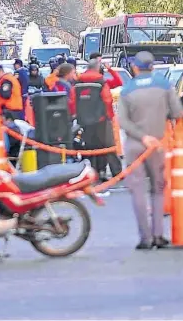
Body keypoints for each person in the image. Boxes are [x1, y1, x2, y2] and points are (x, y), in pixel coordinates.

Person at [117, 51, 183, 249]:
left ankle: (144, 237)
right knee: (157, 189)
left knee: (137, 190)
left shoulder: (126, 90)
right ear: (152, 67)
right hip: (158, 143)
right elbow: (177, 112)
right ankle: (157, 235)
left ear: (135, 68)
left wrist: (141, 135)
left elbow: (123, 121)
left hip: (135, 145)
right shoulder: (164, 86)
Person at [70, 59, 122, 182]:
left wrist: (76, 115)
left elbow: (72, 100)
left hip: (84, 119)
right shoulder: (101, 81)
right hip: (101, 119)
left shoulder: (78, 81)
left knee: (90, 147)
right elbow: (108, 99)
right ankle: (116, 172)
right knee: (108, 145)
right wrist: (108, 115)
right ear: (98, 67)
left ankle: (94, 172)